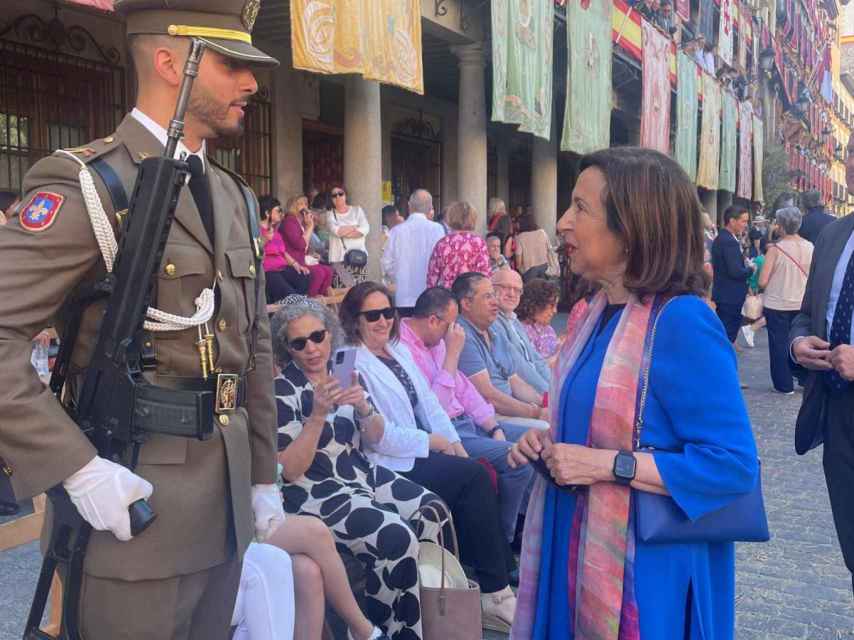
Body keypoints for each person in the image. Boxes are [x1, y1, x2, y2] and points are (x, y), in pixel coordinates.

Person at [0, 2, 286, 637]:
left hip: (226, 508)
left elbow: (254, 345)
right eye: (231, 64)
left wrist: (262, 473)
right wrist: (75, 466)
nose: (251, 83)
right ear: (169, 62)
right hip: (132, 507)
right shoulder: (92, 184)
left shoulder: (234, 194)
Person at [508, 147, 759, 639]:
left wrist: (608, 465)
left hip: (644, 573)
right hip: (571, 539)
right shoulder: (594, 314)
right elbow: (590, 427)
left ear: (632, 228)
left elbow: (733, 466)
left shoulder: (683, 322)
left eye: (580, 208)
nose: (563, 222)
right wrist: (547, 444)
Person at [339, 281, 518, 633]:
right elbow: (373, 436)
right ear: (354, 319)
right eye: (372, 315)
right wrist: (431, 441)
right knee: (472, 478)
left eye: (387, 312)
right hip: (385, 463)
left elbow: (431, 404)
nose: (382, 321)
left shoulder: (396, 350)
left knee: (474, 469)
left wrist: (454, 442)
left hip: (417, 448)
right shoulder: (347, 360)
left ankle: (494, 578)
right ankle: (495, 592)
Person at [271, 295, 441, 639]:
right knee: (394, 536)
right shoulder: (282, 391)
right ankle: (385, 630)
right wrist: (317, 416)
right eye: (299, 343)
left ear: (330, 333)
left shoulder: (344, 372)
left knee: (432, 512)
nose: (311, 348)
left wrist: (363, 406)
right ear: (287, 349)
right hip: (316, 491)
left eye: (317, 336)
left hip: (360, 473)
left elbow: (375, 437)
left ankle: (430, 619)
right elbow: (290, 470)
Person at [399, 287, 535, 543]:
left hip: (468, 422)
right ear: (433, 320)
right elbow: (433, 410)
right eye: (452, 325)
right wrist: (452, 354)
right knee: (520, 460)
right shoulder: (402, 349)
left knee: (538, 439)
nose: (455, 332)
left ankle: (522, 522)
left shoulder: (438, 340)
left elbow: (464, 389)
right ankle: (503, 539)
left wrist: (494, 426)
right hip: (446, 431)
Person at [791, 130, 854, 597]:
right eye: (851, 156)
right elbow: (806, 313)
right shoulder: (833, 235)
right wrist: (798, 344)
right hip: (836, 414)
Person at [455, 272, 551, 425]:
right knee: (546, 428)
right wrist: (536, 413)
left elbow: (514, 381)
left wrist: (545, 403)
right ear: (466, 304)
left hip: (510, 408)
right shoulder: (462, 334)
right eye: (488, 296)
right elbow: (487, 396)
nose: (495, 302)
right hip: (488, 418)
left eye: (494, 295)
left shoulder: (493, 329)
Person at [759, 207, 813, 394]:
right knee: (802, 341)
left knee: (779, 344)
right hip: (802, 302)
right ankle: (804, 378)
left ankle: (784, 384)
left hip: (777, 303)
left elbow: (762, 281)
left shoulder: (775, 249)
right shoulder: (810, 247)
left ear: (780, 226)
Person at [381, 189, 446, 316]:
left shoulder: (396, 231)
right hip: (431, 296)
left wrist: (400, 276)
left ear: (409, 206)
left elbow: (386, 263)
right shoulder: (438, 229)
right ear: (430, 208)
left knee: (406, 327)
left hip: (404, 296)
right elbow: (442, 262)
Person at [492, 269, 552, 396]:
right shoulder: (493, 323)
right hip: (521, 396)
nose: (512, 294)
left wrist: (555, 388)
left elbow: (537, 360)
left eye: (517, 290)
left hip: (539, 391)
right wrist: (549, 394)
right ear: (491, 288)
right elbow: (520, 368)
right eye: (505, 287)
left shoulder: (514, 321)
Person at [711, 205, 755, 346]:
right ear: (732, 221)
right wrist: (751, 269)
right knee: (728, 334)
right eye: (743, 221)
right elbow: (735, 271)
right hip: (730, 295)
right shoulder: (729, 241)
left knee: (725, 332)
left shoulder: (723, 238)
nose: (745, 225)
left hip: (725, 294)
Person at [426, 201, 490, 289]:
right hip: (471, 292)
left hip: (447, 293)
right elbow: (484, 273)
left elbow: (432, 276)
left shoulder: (442, 243)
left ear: (451, 217)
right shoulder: (479, 243)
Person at [260, 195, 311, 302]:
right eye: (278, 210)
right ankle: (294, 305)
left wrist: (296, 264)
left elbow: (283, 252)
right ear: (267, 213)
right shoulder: (256, 230)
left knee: (304, 276)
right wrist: (265, 239)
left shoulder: (275, 232)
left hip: (281, 268)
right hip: (268, 271)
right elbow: (255, 250)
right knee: (290, 294)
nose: (281, 213)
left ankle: (295, 304)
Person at [281, 195, 334, 297]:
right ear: (293, 206)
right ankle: (310, 299)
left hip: (302, 260)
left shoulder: (300, 223)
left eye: (306, 203)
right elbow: (300, 244)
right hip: (292, 262)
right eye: (300, 204)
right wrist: (310, 226)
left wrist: (311, 254)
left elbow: (305, 247)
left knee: (328, 271)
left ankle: (319, 297)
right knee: (319, 272)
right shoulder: (289, 221)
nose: (305, 206)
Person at [327, 183, 370, 287]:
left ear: (345, 195)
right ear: (331, 199)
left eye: (340, 193)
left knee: (359, 290)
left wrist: (345, 231)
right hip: (339, 259)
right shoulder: (330, 214)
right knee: (343, 290)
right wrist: (355, 227)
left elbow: (365, 228)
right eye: (334, 195)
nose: (338, 197)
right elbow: (337, 231)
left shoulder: (357, 210)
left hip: (358, 257)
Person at [517, 278, 561, 360]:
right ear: (535, 304)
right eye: (551, 305)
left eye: (556, 306)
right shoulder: (521, 332)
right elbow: (533, 364)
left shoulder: (548, 329)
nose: (555, 311)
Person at [513, 216, 554, 283]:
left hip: (529, 271)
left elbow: (518, 262)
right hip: (545, 267)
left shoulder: (520, 238)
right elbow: (549, 248)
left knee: (531, 289)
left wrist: (521, 270)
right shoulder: (542, 232)